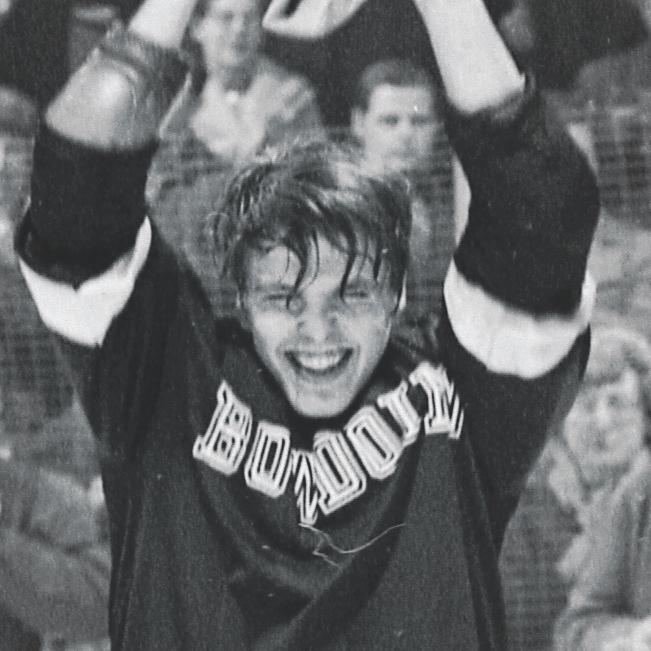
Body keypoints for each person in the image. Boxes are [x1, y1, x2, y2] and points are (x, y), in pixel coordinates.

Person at [14, 0, 599, 647]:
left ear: (399, 294)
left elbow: (542, 204)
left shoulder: (462, 392)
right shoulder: (167, 382)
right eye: (284, 297)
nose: (317, 328)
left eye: (351, 293)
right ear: (240, 297)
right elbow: (74, 187)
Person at [148, 0, 323, 313]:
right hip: (192, 274)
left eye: (250, 19)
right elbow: (159, 198)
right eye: (226, 18)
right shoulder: (176, 104)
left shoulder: (291, 98)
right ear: (197, 27)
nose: (239, 30)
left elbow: (315, 186)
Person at [500, 326, 651, 651]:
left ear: (646, 417)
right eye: (585, 405)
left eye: (618, 403)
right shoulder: (524, 518)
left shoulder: (643, 504)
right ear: (559, 422)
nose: (602, 421)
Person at [350, 58, 454, 323]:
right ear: (359, 124)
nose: (406, 134)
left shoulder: (453, 206)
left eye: (419, 121)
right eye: (390, 121)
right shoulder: (337, 204)